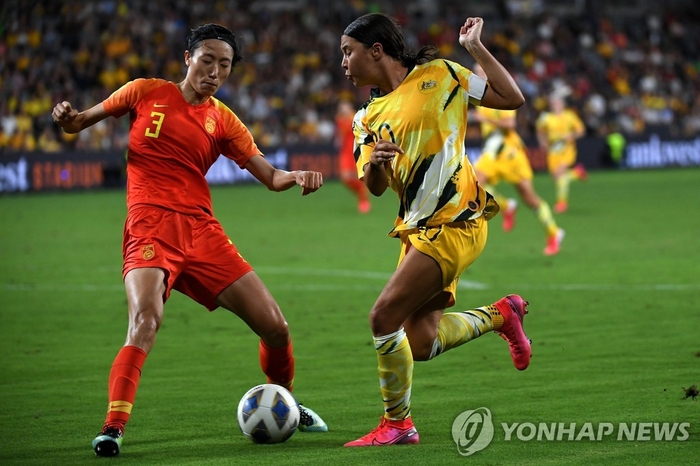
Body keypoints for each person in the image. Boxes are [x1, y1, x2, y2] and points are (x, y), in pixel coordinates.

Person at [51, 23, 327, 458]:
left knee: (276, 326)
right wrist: (68, 119)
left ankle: (285, 403)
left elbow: (271, 177)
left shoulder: (224, 120)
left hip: (201, 231)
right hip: (149, 225)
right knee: (145, 321)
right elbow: (79, 123)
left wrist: (295, 176)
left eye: (225, 65)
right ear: (188, 59)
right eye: (208, 60)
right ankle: (113, 427)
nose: (215, 72)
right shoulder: (144, 91)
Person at [339, 13, 532, 447]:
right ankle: (502, 314)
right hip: (417, 231)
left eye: (348, 52)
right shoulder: (366, 117)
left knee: (382, 317)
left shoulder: (441, 74)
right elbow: (373, 186)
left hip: (456, 220)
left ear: (376, 50)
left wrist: (476, 49)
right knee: (421, 342)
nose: (344, 63)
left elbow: (510, 97)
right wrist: (376, 164)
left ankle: (398, 425)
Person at [470, 65, 564, 255]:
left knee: (530, 198)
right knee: (473, 184)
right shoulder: (479, 95)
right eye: (475, 72)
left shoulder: (498, 91)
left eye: (481, 71)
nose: (477, 74)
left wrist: (484, 119)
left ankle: (554, 232)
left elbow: (510, 124)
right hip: (492, 152)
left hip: (511, 152)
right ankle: (506, 205)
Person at [536, 92, 587, 213]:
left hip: (567, 149)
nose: (555, 105)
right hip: (553, 150)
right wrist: (542, 142)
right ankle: (577, 173)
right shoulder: (546, 117)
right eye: (553, 103)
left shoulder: (570, 116)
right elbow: (540, 131)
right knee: (556, 178)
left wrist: (571, 135)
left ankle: (561, 203)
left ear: (562, 104)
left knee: (560, 174)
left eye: (557, 103)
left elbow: (581, 131)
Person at [335, 99, 370, 213]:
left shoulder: (356, 118)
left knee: (357, 176)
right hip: (345, 152)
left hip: (356, 149)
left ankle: (363, 200)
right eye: (341, 107)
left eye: (345, 106)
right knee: (345, 178)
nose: (343, 109)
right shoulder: (339, 119)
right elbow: (340, 134)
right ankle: (361, 192)